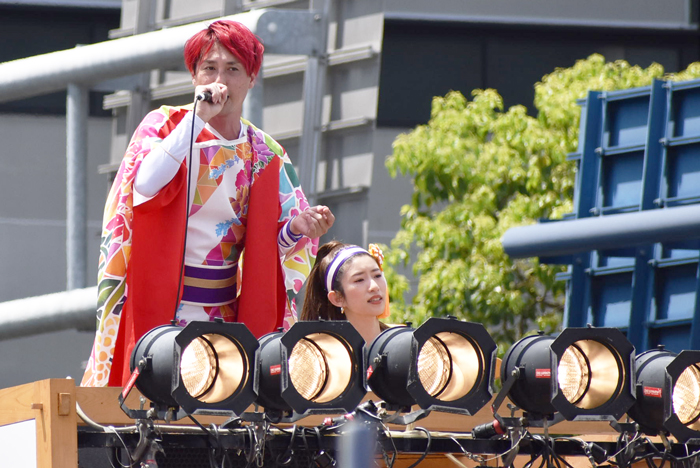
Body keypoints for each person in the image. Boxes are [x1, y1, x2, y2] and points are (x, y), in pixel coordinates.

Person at [81, 20, 334, 387]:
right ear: (194, 77)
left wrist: (298, 229)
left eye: (233, 69)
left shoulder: (266, 152)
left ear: (251, 79)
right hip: (157, 302)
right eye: (209, 68)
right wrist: (196, 119)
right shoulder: (165, 126)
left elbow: (272, 248)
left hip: (225, 311)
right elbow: (144, 188)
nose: (220, 79)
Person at [300, 241, 390, 344]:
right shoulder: (320, 355)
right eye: (359, 280)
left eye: (377, 275)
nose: (374, 286)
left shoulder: (404, 341)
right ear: (337, 298)